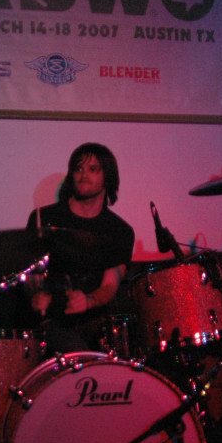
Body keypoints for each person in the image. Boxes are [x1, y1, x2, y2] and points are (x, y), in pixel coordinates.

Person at [25, 143, 135, 355]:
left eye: (93, 169)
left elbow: (109, 286)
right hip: (52, 321)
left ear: (108, 177)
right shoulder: (44, 218)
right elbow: (32, 272)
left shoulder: (119, 230)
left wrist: (88, 301)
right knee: (72, 349)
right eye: (78, 169)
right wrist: (36, 295)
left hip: (96, 322)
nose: (83, 175)